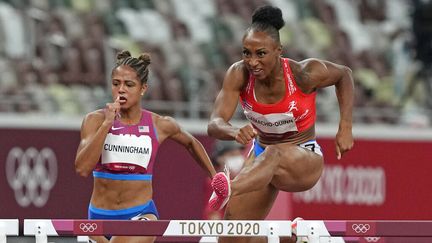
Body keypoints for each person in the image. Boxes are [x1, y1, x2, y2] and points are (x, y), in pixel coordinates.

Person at [207, 5, 354, 243]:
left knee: (274, 153)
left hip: (302, 158)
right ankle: (293, 237)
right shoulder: (238, 74)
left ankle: (229, 188)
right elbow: (214, 123)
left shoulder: (303, 74)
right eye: (246, 53)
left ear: (278, 51)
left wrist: (345, 127)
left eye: (261, 54)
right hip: (261, 158)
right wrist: (233, 131)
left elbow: (344, 75)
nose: (252, 62)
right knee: (232, 239)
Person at [74, 50, 216, 243]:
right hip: (99, 217)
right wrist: (107, 125)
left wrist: (214, 177)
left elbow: (191, 143)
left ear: (143, 88)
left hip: (140, 213)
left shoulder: (160, 124)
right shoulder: (95, 120)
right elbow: (82, 168)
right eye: (116, 84)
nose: (121, 90)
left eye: (129, 84)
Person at [203, 140, 246, 220]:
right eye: (232, 155)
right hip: (225, 228)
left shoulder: (245, 180)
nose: (237, 158)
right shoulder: (214, 182)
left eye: (239, 154)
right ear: (219, 158)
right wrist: (220, 231)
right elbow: (213, 213)